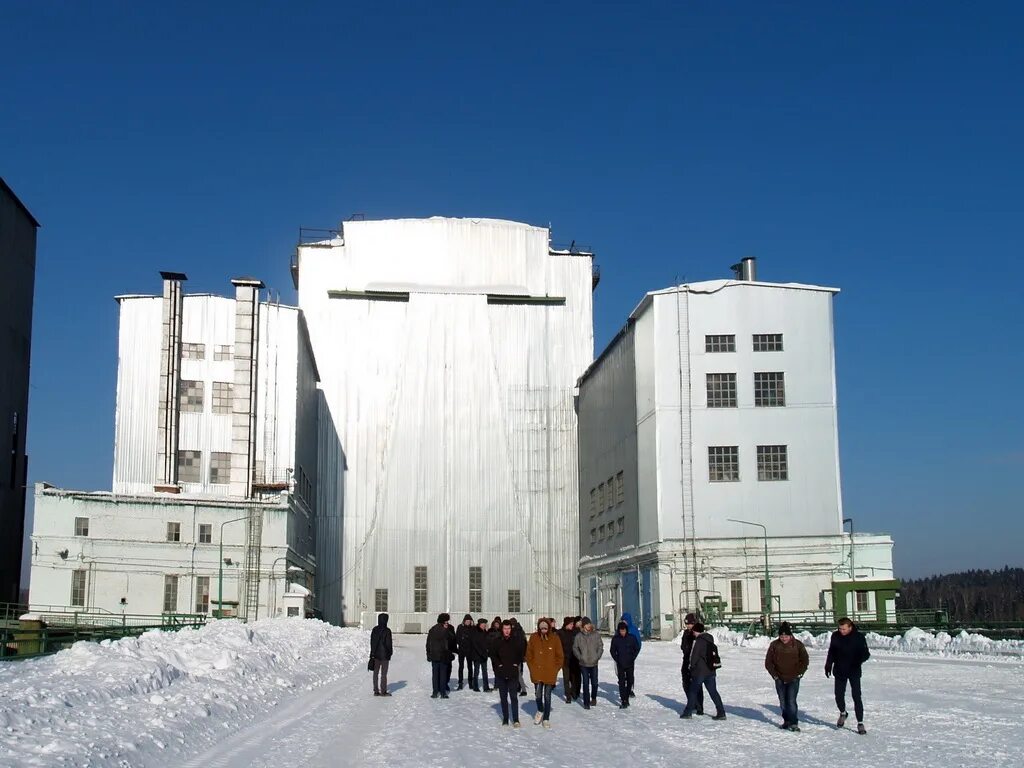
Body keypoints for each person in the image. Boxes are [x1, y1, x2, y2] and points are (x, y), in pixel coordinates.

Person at [825, 617, 871, 735]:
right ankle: (843, 713)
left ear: (850, 627)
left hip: (854, 670)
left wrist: (858, 661)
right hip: (840, 670)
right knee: (838, 695)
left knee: (856, 696)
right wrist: (828, 664)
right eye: (840, 629)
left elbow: (866, 654)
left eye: (844, 629)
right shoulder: (835, 636)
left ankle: (860, 723)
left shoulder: (859, 637)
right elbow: (832, 651)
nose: (841, 631)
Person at [765, 621, 809, 731]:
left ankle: (794, 722)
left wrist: (800, 673)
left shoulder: (798, 645)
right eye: (781, 636)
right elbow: (768, 662)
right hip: (779, 678)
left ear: (790, 635)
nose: (784, 638)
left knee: (791, 700)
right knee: (783, 701)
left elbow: (805, 660)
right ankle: (787, 720)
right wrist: (774, 675)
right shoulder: (774, 645)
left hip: (793, 677)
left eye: (786, 636)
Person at [680, 622, 726, 720]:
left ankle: (688, 712)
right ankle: (721, 712)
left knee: (692, 691)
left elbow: (694, 657)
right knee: (713, 692)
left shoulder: (699, 641)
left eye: (694, 631)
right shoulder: (710, 639)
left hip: (699, 672)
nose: (693, 633)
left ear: (696, 631)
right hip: (711, 671)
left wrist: (691, 668)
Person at [525, 618, 564, 728]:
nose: (543, 631)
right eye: (541, 629)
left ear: (548, 628)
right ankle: (540, 710)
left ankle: (546, 718)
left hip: (549, 673)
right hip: (537, 672)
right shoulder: (533, 638)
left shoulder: (555, 639)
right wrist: (532, 668)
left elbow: (560, 656)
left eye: (545, 629)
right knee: (538, 695)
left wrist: (555, 669)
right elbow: (529, 655)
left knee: (547, 696)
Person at [490, 619, 525, 727]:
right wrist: (498, 665)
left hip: (513, 673)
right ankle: (505, 718)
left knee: (513, 697)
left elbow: (521, 652)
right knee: (503, 697)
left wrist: (516, 663)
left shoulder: (515, 640)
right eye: (505, 628)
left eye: (509, 628)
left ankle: (516, 719)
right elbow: (493, 654)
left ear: (511, 629)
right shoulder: (497, 640)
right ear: (502, 629)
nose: (507, 631)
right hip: (501, 673)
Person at [572, 617, 604, 709]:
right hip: (584, 664)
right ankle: (586, 702)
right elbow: (575, 648)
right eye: (587, 624)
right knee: (585, 683)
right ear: (583, 625)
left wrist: (597, 656)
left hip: (594, 663)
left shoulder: (596, 635)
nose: (588, 625)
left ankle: (593, 698)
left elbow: (600, 646)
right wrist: (580, 657)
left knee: (594, 683)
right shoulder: (579, 636)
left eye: (589, 624)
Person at [610, 621, 640, 708]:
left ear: (626, 630)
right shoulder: (616, 639)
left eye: (624, 630)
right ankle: (623, 700)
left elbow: (637, 648)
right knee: (622, 682)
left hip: (630, 663)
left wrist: (633, 657)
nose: (622, 632)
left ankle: (627, 697)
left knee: (630, 680)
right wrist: (617, 659)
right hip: (620, 664)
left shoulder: (631, 638)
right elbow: (612, 651)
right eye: (621, 631)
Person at [679, 613, 702, 716]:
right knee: (686, 684)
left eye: (690, 624)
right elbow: (683, 647)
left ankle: (699, 706)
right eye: (687, 624)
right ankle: (692, 703)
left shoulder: (697, 634)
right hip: (686, 661)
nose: (688, 626)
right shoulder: (685, 633)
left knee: (697, 685)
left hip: (695, 663)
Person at [426, 613, 453, 699]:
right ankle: (442, 692)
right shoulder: (445, 630)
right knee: (443, 674)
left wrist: (428, 653)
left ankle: (435, 692)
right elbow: (450, 639)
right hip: (443, 655)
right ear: (443, 621)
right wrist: (447, 630)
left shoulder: (432, 629)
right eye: (446, 621)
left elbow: (428, 643)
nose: (447, 623)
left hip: (434, 655)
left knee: (435, 675)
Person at [556, 616, 580, 703]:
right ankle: (568, 696)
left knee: (574, 678)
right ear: (566, 624)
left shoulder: (575, 632)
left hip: (574, 659)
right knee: (566, 678)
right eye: (570, 624)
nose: (572, 625)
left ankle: (573, 692)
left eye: (572, 624)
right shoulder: (560, 633)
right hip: (564, 659)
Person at [369, 612, 394, 697]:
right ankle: (383, 691)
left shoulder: (374, 629)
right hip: (385, 656)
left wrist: (372, 653)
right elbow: (389, 643)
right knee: (384, 674)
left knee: (375, 673)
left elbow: (372, 642)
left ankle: (376, 691)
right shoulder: (387, 630)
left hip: (375, 655)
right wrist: (390, 653)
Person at [619, 612, 643, 698]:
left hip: (630, 656)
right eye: (622, 620)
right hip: (621, 657)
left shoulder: (633, 630)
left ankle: (630, 689)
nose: (623, 622)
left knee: (630, 674)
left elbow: (638, 644)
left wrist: (634, 655)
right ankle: (623, 688)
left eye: (625, 620)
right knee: (621, 674)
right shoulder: (620, 629)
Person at [455, 614, 475, 690]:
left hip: (470, 650)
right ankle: (460, 683)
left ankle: (470, 682)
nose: (468, 622)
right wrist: (461, 641)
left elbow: (474, 638)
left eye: (469, 621)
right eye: (467, 621)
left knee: (470, 667)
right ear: (464, 621)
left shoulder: (473, 628)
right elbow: (457, 637)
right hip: (462, 650)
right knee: (461, 667)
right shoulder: (460, 627)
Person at [471, 618, 491, 691]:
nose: (484, 625)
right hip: (477, 655)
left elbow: (487, 642)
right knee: (476, 671)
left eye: (485, 624)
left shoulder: (485, 632)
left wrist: (486, 652)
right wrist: (481, 653)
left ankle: (486, 687)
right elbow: (475, 644)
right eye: (482, 624)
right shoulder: (475, 632)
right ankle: (475, 686)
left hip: (484, 655)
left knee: (485, 671)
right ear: (479, 624)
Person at [509, 618, 528, 695]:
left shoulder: (515, 632)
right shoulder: (521, 631)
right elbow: (525, 644)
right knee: (518, 673)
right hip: (520, 655)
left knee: (517, 673)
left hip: (516, 656)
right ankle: (518, 687)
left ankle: (523, 690)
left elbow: (516, 645)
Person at [443, 614, 457, 691]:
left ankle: (446, 682)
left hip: (449, 651)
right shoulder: (439, 627)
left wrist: (455, 650)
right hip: (441, 652)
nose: (446, 621)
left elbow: (454, 639)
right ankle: (442, 683)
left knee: (449, 668)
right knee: (443, 669)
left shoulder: (451, 628)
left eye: (447, 620)